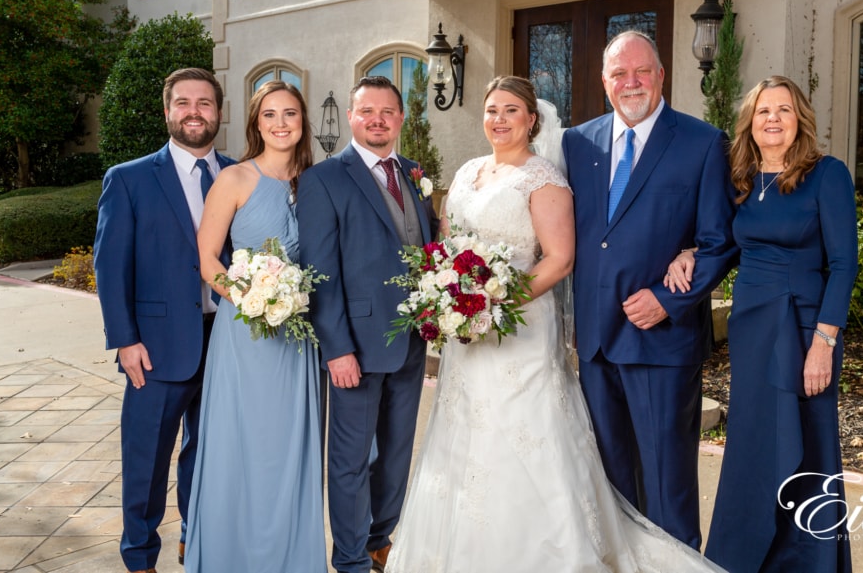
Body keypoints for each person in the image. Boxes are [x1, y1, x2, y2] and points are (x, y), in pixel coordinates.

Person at [384, 75, 726, 573]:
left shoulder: (543, 178)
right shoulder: (466, 172)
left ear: (532, 120)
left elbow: (561, 259)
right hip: (468, 337)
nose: (499, 119)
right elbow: (446, 245)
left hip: (518, 328)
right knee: (464, 436)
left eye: (511, 110)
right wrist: (448, 296)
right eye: (492, 110)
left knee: (523, 436)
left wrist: (493, 305)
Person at [666, 76, 858, 572]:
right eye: (763, 111)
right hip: (752, 331)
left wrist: (824, 343)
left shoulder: (827, 175)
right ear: (750, 122)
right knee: (752, 445)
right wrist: (690, 252)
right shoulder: (742, 181)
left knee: (807, 445)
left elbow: (844, 265)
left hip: (804, 330)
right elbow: (728, 244)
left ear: (800, 120)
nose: (773, 119)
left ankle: (809, 563)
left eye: (784, 110)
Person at [561, 31, 737, 549]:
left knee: (666, 486)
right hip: (595, 343)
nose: (631, 82)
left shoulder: (703, 142)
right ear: (605, 83)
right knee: (612, 485)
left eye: (642, 71)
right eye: (619, 74)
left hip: (661, 342)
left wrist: (668, 298)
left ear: (661, 75)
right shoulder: (577, 143)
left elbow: (721, 241)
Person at [297, 76, 439, 573]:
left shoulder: (415, 172)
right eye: (367, 111)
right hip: (354, 345)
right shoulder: (323, 179)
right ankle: (350, 557)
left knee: (397, 452)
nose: (377, 120)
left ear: (400, 118)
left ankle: (381, 539)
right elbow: (319, 273)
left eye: (387, 112)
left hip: (412, 340)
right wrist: (336, 348)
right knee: (351, 460)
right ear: (351, 117)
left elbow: (425, 249)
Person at [94, 68, 234, 573]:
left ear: (219, 112)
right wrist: (125, 339)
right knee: (147, 457)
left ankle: (193, 540)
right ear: (167, 111)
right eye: (183, 103)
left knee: (209, 453)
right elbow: (110, 267)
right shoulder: (129, 178)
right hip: (154, 346)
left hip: (227, 341)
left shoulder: (238, 173)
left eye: (204, 103)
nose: (194, 112)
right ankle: (139, 556)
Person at [183, 81, 327, 572]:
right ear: (256, 123)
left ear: (303, 121)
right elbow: (208, 260)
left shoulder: (316, 182)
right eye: (270, 114)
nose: (280, 123)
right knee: (242, 444)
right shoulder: (235, 179)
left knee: (288, 449)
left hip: (298, 337)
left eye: (290, 113)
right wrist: (254, 299)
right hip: (246, 334)